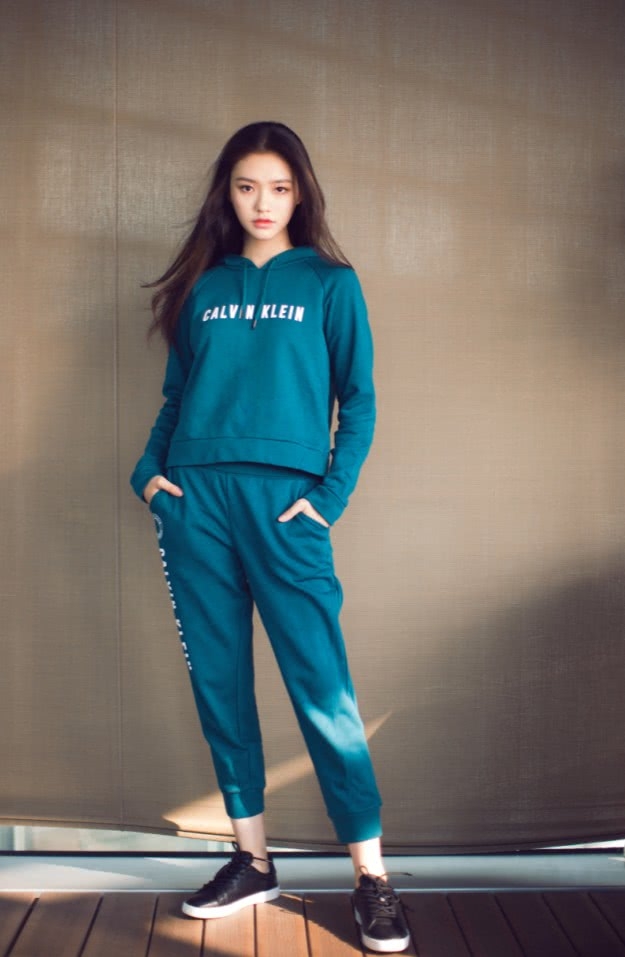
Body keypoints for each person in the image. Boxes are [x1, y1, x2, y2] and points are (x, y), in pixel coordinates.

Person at [130, 121, 410, 953]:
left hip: (287, 506)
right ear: (227, 192)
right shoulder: (203, 287)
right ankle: (251, 859)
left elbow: (358, 401)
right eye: (248, 185)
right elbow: (177, 395)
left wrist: (326, 498)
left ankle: (371, 877)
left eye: (279, 188)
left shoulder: (329, 283)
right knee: (219, 684)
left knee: (322, 690)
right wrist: (148, 473)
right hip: (196, 500)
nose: (263, 202)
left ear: (299, 195)